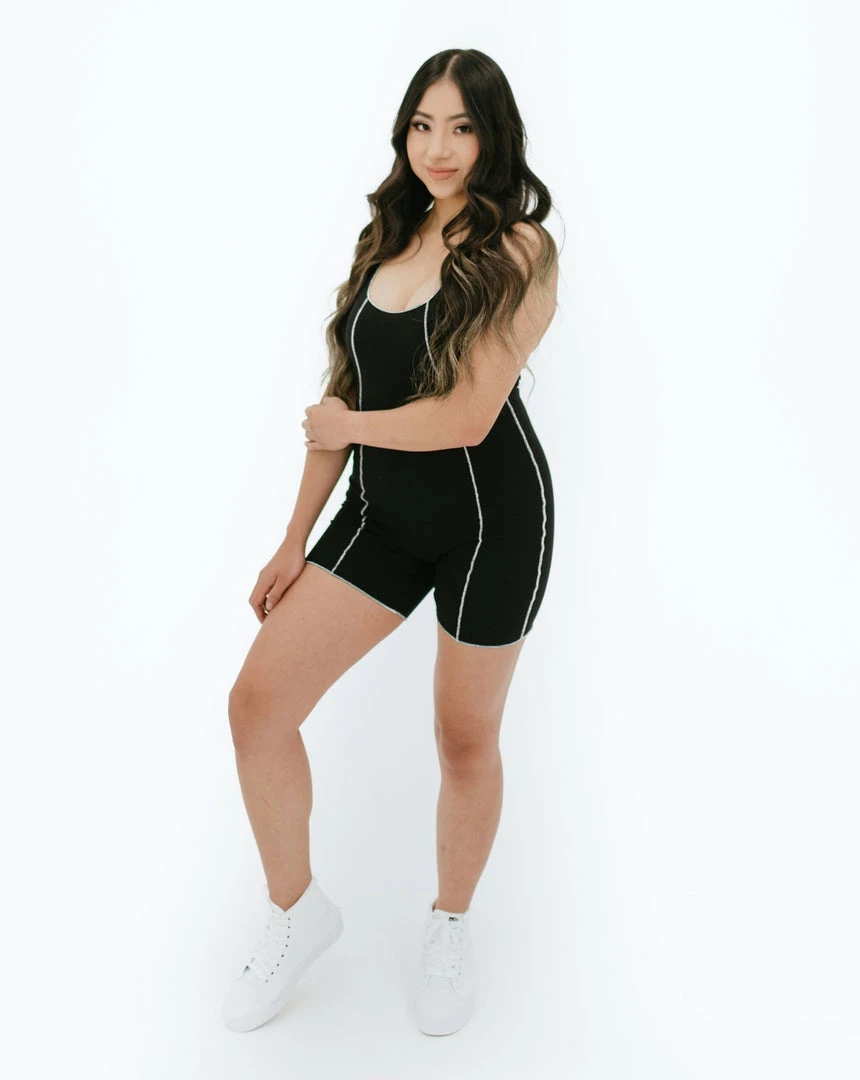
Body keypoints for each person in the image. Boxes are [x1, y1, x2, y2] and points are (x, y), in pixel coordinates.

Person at [222, 47, 560, 1038]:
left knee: (463, 737)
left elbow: (465, 416)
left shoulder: (522, 249)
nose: (438, 147)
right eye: (422, 125)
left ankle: (449, 923)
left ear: (493, 136)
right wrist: (294, 539)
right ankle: (297, 912)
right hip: (380, 518)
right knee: (257, 706)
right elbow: (343, 400)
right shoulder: (387, 238)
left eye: (461, 127)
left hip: (491, 523)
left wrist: (349, 427)